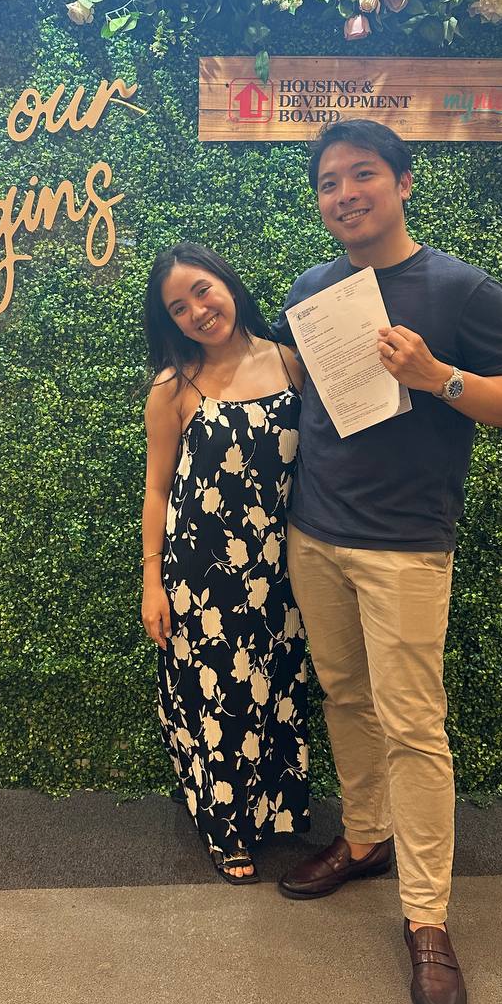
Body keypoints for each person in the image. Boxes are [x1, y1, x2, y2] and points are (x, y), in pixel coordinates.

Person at [273, 121, 502, 1004]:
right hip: (315, 534)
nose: (344, 193)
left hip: (406, 547)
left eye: (362, 175)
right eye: (329, 182)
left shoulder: (462, 288)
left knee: (415, 728)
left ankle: (426, 918)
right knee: (346, 697)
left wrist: (439, 377)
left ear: (403, 182)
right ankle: (364, 837)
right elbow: (296, 390)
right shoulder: (313, 290)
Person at [141, 243, 309, 883]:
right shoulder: (174, 387)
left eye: (202, 291)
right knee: (218, 695)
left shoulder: (293, 364)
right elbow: (157, 490)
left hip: (282, 567)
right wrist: (152, 582)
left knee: (275, 687)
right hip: (200, 575)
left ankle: (274, 810)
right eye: (178, 309)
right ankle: (225, 826)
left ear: (228, 283)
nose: (197, 312)